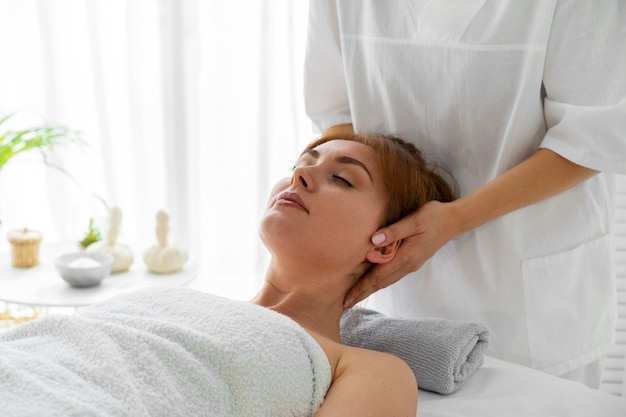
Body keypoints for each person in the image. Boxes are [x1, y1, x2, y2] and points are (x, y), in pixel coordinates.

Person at [0, 132, 455, 416]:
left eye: (343, 178)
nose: (298, 176)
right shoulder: (189, 301)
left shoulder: (365, 368)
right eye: (300, 165)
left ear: (388, 243)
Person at [304, 0, 626, 387]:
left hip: (534, 310)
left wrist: (452, 219)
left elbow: (590, 135)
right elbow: (336, 114)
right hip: (397, 302)